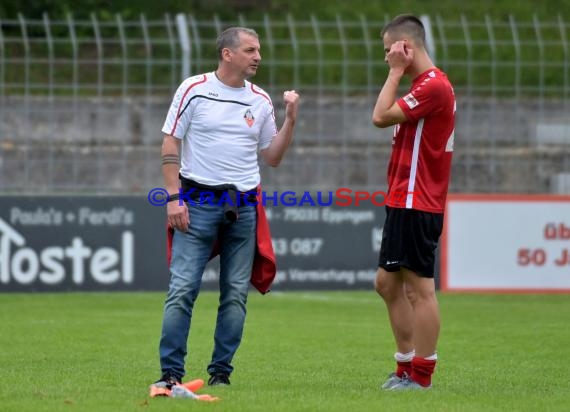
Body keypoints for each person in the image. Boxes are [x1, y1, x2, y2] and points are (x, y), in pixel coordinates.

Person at [151, 26, 299, 391]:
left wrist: (291, 119)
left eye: (259, 50)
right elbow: (171, 141)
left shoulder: (261, 100)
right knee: (183, 289)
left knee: (234, 294)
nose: (258, 57)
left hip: (243, 208)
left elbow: (273, 158)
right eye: (250, 50)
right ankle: (171, 373)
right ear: (227, 54)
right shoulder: (194, 89)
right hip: (197, 203)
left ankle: (221, 373)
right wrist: (173, 197)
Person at [371, 14, 456, 390]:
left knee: (419, 290)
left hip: (417, 199)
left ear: (405, 46)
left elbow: (379, 117)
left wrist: (393, 72)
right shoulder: (422, 85)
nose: (387, 57)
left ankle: (420, 375)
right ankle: (405, 365)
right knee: (387, 284)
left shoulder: (433, 85)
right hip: (402, 197)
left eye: (389, 49)